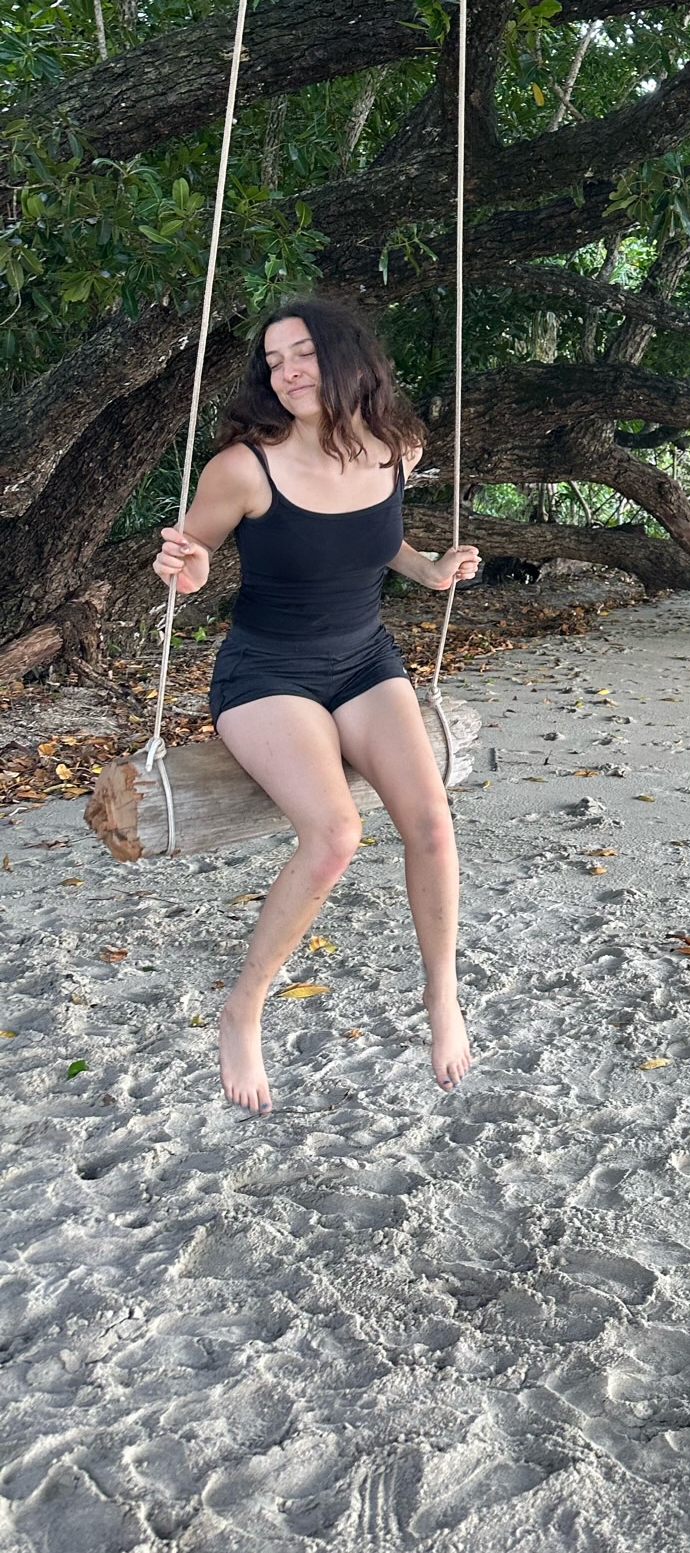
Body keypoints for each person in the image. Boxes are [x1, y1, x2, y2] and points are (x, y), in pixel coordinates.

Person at [152, 298, 480, 1114]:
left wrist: (429, 571)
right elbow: (192, 562)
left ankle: (441, 993)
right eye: (273, 361)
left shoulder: (397, 447)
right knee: (335, 833)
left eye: (301, 354)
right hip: (267, 671)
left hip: (363, 659)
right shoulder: (244, 467)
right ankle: (245, 1007)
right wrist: (181, 569)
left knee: (433, 824)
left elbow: (375, 535)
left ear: (346, 360)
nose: (287, 371)